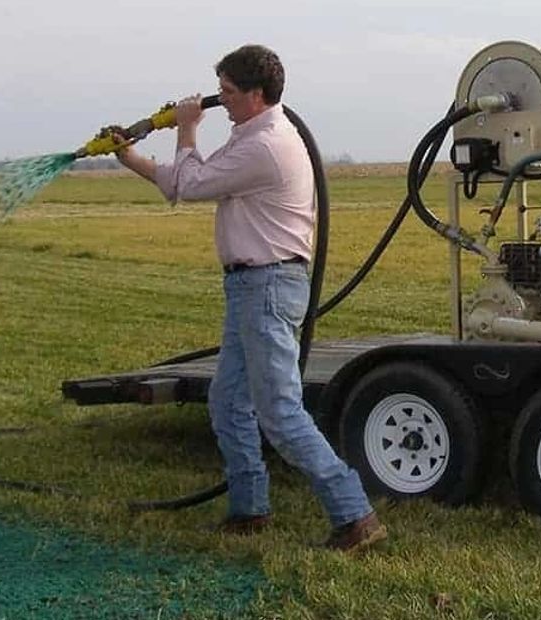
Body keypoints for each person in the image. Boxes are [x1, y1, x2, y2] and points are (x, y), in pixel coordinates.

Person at [113, 44, 386, 552]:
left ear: (256, 96)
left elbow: (192, 183)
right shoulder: (251, 137)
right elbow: (185, 180)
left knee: (279, 411)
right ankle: (249, 508)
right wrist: (130, 157)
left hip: (267, 286)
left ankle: (355, 516)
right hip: (250, 287)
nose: (222, 100)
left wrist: (187, 128)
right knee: (229, 399)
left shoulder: (266, 146)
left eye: (229, 92)